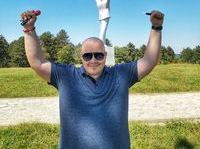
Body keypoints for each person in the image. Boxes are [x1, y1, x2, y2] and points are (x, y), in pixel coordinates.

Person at [21, 9, 164, 149]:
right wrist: (29, 29)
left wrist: (156, 27)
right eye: (88, 56)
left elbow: (149, 60)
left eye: (99, 55)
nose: (93, 60)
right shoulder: (65, 76)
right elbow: (38, 62)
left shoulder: (121, 74)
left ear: (105, 55)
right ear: (81, 57)